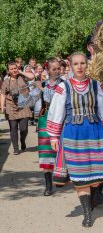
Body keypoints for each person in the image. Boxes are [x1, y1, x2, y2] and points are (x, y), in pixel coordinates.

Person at [46, 52, 103, 227]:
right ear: (70, 66)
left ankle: (94, 195)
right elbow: (56, 111)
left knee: (96, 172)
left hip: (95, 132)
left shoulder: (96, 86)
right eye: (76, 64)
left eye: (82, 63)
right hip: (73, 134)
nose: (79, 67)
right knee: (79, 176)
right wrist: (54, 135)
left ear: (87, 65)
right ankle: (87, 213)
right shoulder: (64, 88)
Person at [35, 58, 64, 196]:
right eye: (54, 69)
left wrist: (41, 88)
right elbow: (31, 101)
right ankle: (48, 185)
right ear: (48, 70)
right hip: (45, 119)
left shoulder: (65, 84)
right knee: (46, 151)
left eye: (59, 68)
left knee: (62, 149)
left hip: (61, 119)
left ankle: (61, 176)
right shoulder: (43, 83)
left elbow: (53, 98)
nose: (57, 71)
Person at [0, 62, 35, 154]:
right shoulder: (6, 81)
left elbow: (32, 76)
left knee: (24, 129)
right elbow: (3, 94)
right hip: (11, 106)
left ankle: (23, 141)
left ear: (17, 68)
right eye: (11, 69)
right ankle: (16, 148)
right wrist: (2, 105)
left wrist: (20, 72)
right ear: (8, 71)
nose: (13, 70)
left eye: (15, 68)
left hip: (23, 105)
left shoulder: (22, 77)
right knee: (13, 128)